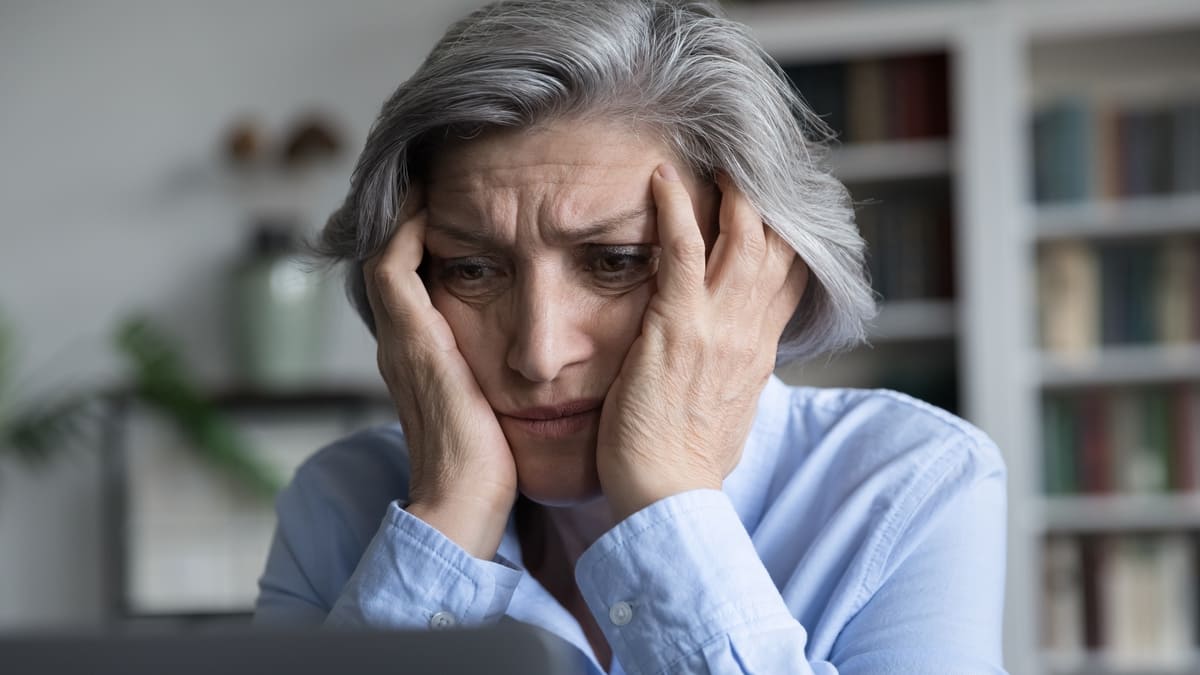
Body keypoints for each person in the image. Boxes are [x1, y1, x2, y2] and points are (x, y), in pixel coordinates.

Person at [254, 1, 1008, 673]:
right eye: (472, 269)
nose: (539, 352)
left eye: (616, 262)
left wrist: (668, 495)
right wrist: (450, 516)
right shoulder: (339, 503)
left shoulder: (910, 486)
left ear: (758, 270)